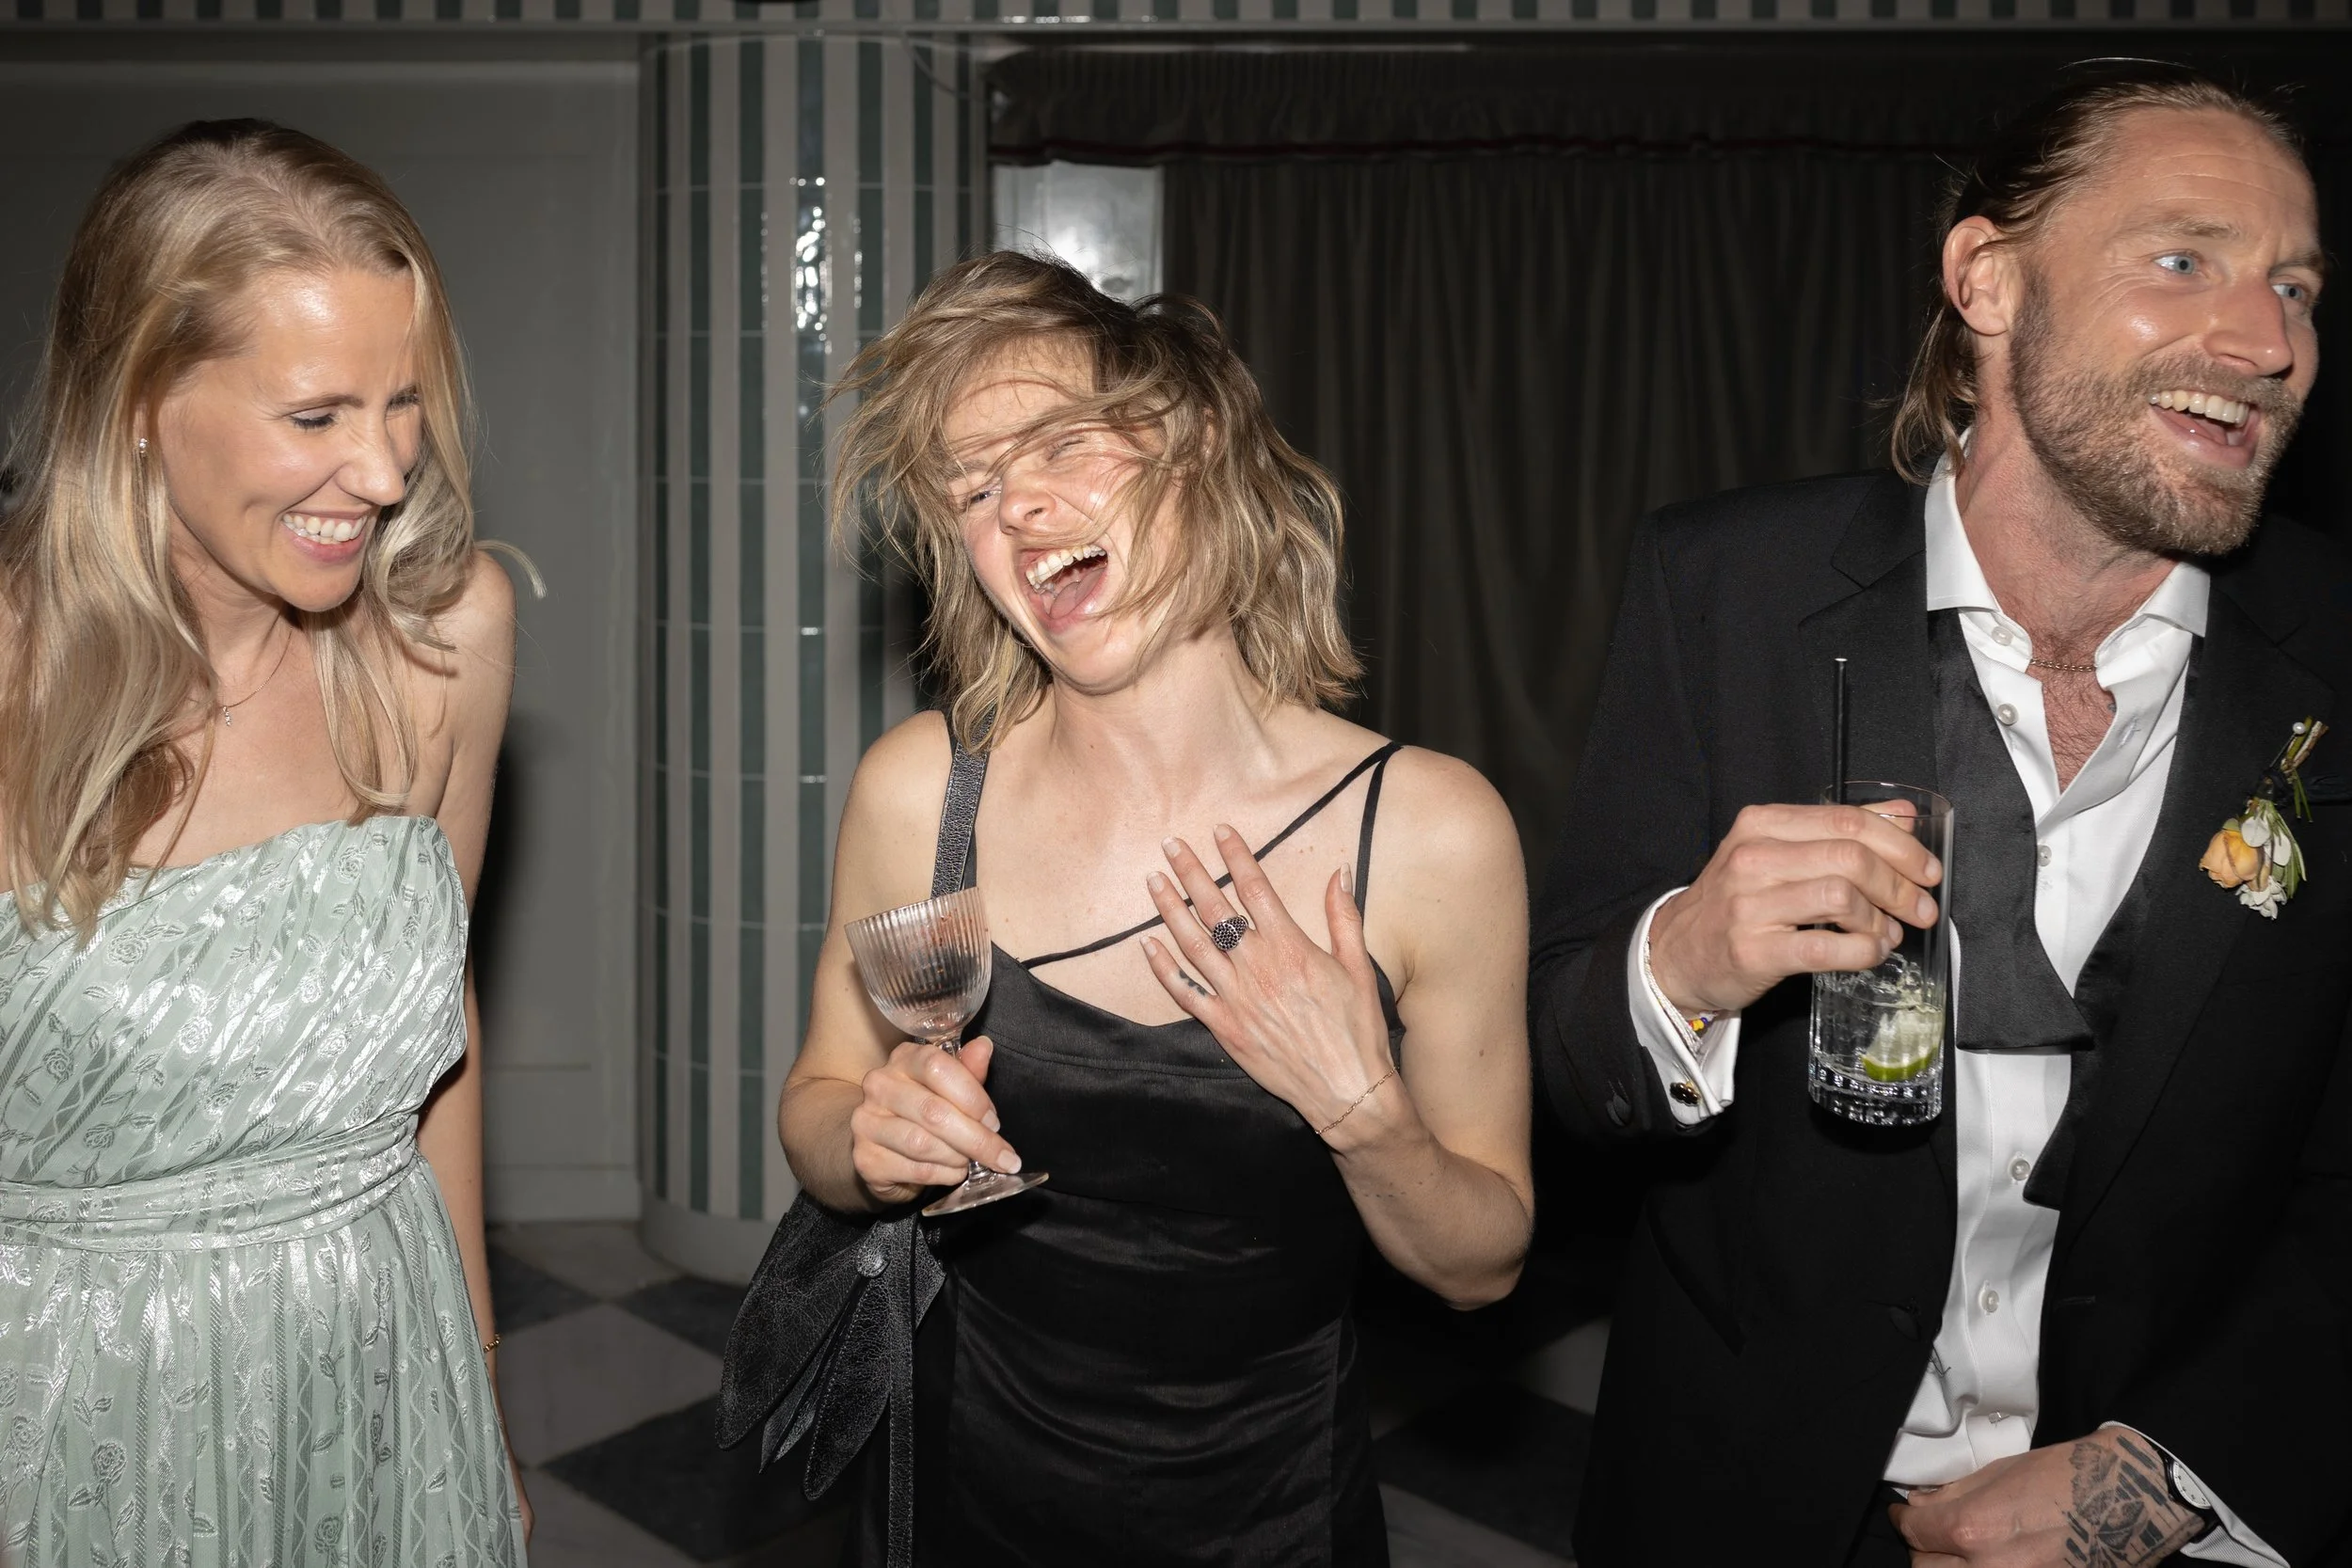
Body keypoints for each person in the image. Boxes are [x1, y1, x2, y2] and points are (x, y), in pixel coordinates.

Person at [1531, 63, 2348, 1568]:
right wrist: (1683, 965)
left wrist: (2163, 1476)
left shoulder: (2334, 652)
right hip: (1744, 1496)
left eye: (2298, 287)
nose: (2269, 342)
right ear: (1987, 277)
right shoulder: (1723, 588)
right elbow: (1570, 1064)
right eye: (2186, 261)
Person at [778, 251, 1534, 1565]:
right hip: (961, 1497)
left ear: (1197, 450)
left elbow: (1483, 1262)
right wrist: (870, 1136)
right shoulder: (923, 796)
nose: (1018, 506)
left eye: (1061, 443)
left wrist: (1367, 1116)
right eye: (975, 487)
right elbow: (817, 1110)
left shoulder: (1427, 832)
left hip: (1276, 1520)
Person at [0, 121, 530, 1564]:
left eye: (404, 403)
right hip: (67, 1407)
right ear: (138, 404)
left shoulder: (447, 641)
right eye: (317, 417)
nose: (380, 474)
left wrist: (475, 1380)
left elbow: (440, 1037)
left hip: (379, 1378)